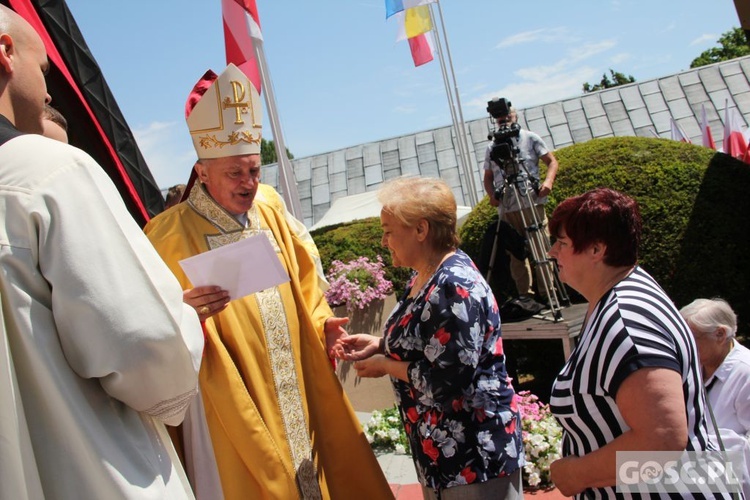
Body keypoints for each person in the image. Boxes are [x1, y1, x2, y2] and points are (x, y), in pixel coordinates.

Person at [144, 63, 391, 500]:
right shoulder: (165, 235)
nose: (249, 184)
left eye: (255, 170)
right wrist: (181, 312)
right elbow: (146, 320)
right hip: (227, 394)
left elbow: (306, 279)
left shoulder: (271, 207)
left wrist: (322, 324)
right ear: (201, 172)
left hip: (296, 374)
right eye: (235, 173)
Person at [0, 6, 204, 499]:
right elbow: (146, 343)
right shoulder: (46, 171)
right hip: (96, 471)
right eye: (44, 70)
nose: (49, 93)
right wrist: (185, 321)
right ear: (5, 54)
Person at [334, 177, 525, 500]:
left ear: (421, 230)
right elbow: (431, 342)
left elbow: (446, 379)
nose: (383, 241)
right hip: (443, 458)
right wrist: (380, 343)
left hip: (474, 457)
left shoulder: (453, 285)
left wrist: (384, 365)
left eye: (388, 230)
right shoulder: (423, 276)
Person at [547, 188, 733, 498]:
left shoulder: (627, 321)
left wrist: (575, 474)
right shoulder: (621, 294)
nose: (553, 252)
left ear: (596, 249)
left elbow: (662, 442)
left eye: (563, 243)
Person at [482, 98, 559, 305]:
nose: (504, 122)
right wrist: (492, 196)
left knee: (540, 248)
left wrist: (548, 182)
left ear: (515, 117)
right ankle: (526, 296)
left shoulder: (530, 137)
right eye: (500, 120)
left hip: (532, 202)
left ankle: (548, 294)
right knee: (516, 253)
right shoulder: (492, 147)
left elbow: (552, 161)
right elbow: (488, 176)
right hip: (508, 205)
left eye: (507, 118)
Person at [680, 298, 750, 499]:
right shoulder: (693, 368)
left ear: (720, 334)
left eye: (691, 338)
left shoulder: (746, 371)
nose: (685, 346)